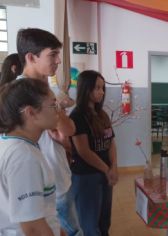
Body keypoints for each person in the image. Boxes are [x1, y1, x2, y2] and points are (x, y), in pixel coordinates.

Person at [16, 28, 82, 236]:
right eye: (52, 55)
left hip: (59, 172)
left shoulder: (48, 90)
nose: (58, 61)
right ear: (31, 57)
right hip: (39, 181)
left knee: (70, 228)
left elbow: (69, 129)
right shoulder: (18, 95)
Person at [0, 79, 60, 236]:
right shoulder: (23, 157)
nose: (58, 111)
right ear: (30, 112)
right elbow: (33, 228)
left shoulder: (13, 143)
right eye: (53, 105)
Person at [70, 70, 118, 236]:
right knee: (90, 225)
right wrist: (107, 169)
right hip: (86, 177)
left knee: (105, 221)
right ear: (86, 89)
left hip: (104, 173)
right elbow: (83, 151)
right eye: (97, 88)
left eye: (102, 88)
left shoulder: (102, 114)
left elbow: (111, 142)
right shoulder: (77, 116)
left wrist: (114, 167)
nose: (101, 92)